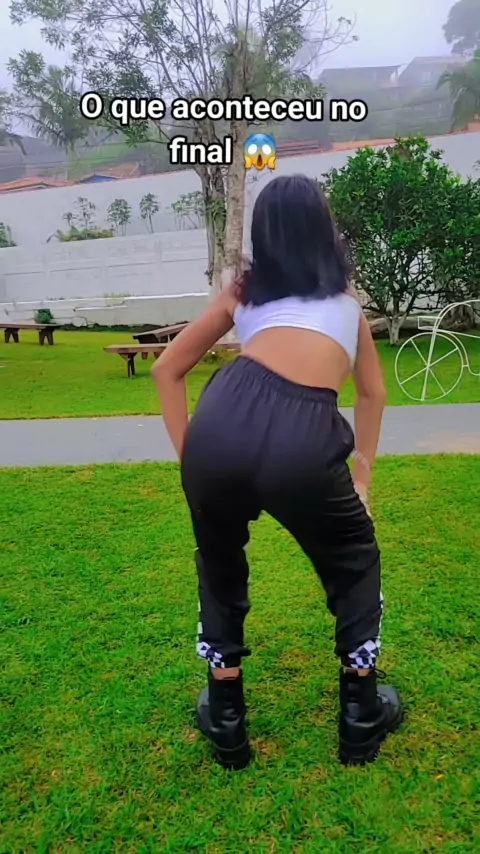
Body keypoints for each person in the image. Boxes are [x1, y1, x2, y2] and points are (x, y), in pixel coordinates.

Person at [151, 174, 403, 771]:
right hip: (303, 439)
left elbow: (166, 370)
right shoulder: (347, 306)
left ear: (263, 236)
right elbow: (372, 393)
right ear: (324, 232)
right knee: (354, 561)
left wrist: (192, 459)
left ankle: (226, 717)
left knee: (220, 568)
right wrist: (361, 476)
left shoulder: (242, 293)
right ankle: (360, 713)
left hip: (220, 422)